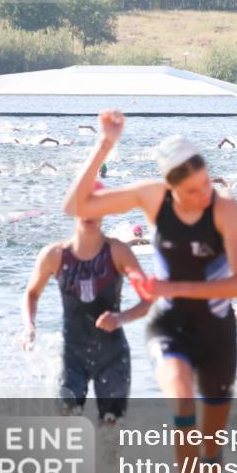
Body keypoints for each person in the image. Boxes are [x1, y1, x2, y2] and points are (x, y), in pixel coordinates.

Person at [63, 110, 237, 473]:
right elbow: (75, 207)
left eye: (206, 182)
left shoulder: (225, 209)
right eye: (192, 190)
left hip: (218, 333)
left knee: (212, 443)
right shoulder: (152, 199)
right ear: (170, 187)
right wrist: (105, 145)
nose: (204, 194)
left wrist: (173, 286)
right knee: (182, 404)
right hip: (170, 327)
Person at [22, 182, 151, 424]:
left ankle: (106, 461)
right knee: (65, 423)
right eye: (84, 205)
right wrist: (29, 325)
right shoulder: (55, 254)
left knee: (110, 430)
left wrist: (121, 318)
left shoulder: (118, 252)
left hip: (113, 356)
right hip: (73, 355)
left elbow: (148, 299)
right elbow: (31, 293)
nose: (90, 214)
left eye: (97, 206)